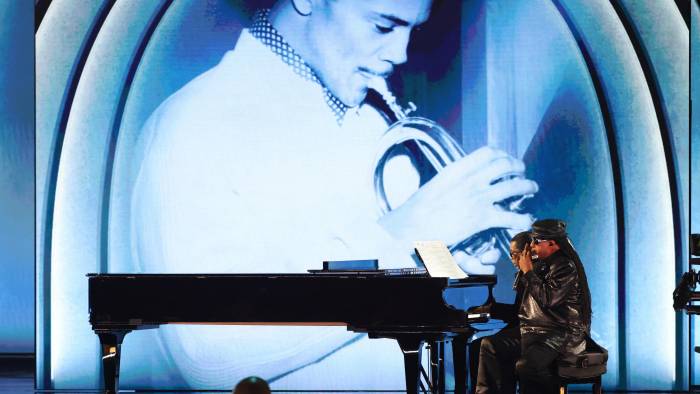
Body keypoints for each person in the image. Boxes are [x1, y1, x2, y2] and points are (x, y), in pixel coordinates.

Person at [130, 0, 537, 386]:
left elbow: (404, 272)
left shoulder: (372, 123)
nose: (400, 53)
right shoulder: (193, 126)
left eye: (412, 29)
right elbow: (206, 351)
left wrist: (449, 258)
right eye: (383, 25)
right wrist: (403, 237)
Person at [515, 219, 592, 394]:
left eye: (536, 241)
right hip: (538, 331)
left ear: (552, 243)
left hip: (562, 334)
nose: (532, 246)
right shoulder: (542, 264)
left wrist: (528, 272)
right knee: (489, 346)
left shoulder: (565, 267)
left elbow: (548, 299)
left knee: (528, 366)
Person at [469, 231, 530, 394]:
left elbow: (524, 314)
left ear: (527, 253)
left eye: (515, 255)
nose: (512, 260)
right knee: (475, 346)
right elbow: (519, 312)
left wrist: (491, 309)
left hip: (534, 332)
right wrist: (490, 309)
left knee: (490, 345)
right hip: (522, 328)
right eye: (510, 255)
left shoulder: (533, 275)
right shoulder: (523, 275)